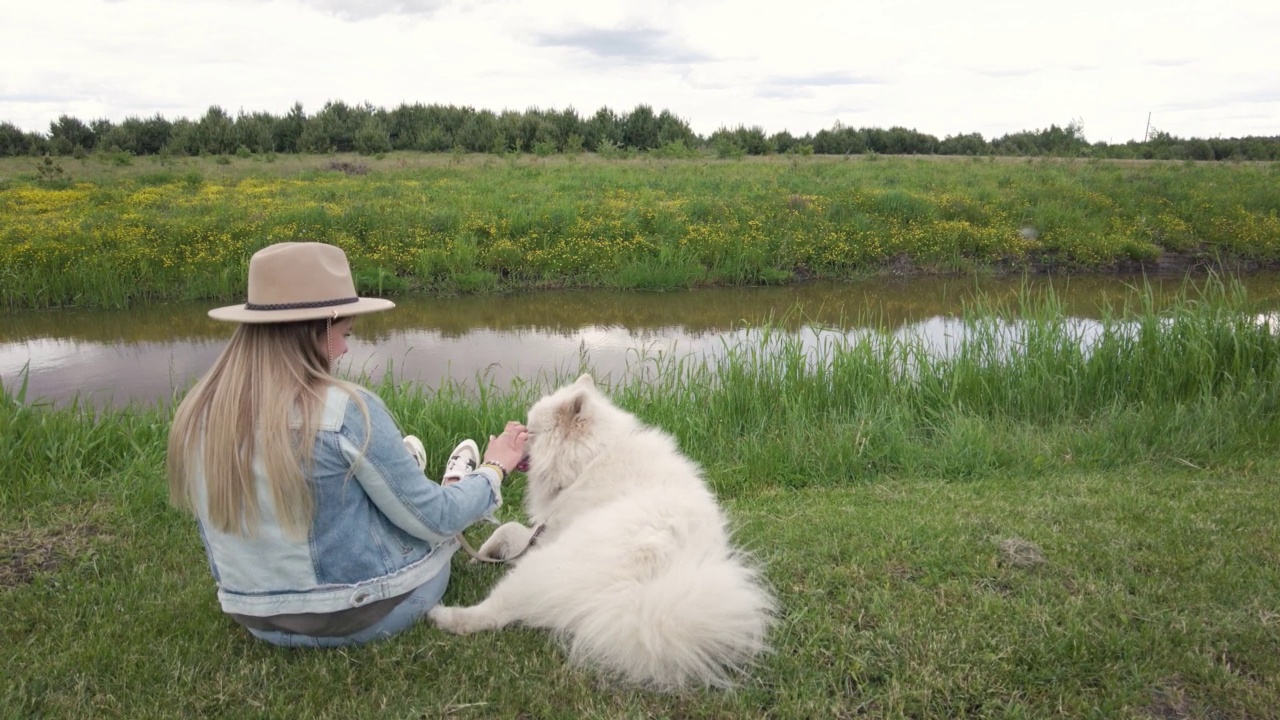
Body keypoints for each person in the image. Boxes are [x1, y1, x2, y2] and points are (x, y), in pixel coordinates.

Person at [167, 241, 528, 648]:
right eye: (344, 333)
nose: (344, 348)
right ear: (320, 327)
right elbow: (434, 521)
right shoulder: (344, 412)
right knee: (437, 524)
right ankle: (457, 477)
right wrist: (497, 467)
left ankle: (410, 463)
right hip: (357, 614)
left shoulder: (197, 411)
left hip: (255, 618)